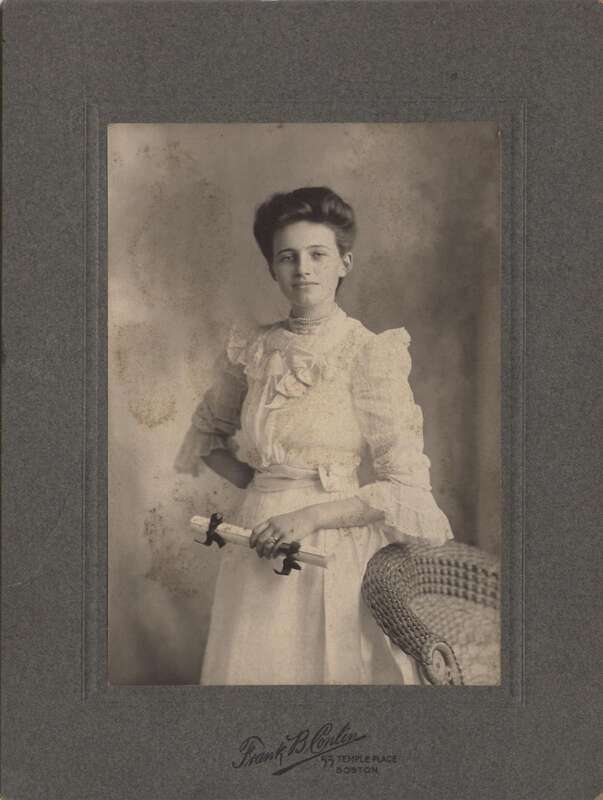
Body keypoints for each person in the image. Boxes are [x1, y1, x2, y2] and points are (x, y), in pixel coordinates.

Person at [174, 186, 454, 685]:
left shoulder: (369, 352)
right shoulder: (252, 349)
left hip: (333, 545)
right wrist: (264, 491)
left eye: (318, 254)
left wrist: (307, 513)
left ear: (344, 262)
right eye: (288, 257)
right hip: (255, 546)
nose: (303, 268)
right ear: (273, 270)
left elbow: (405, 485)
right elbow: (207, 437)